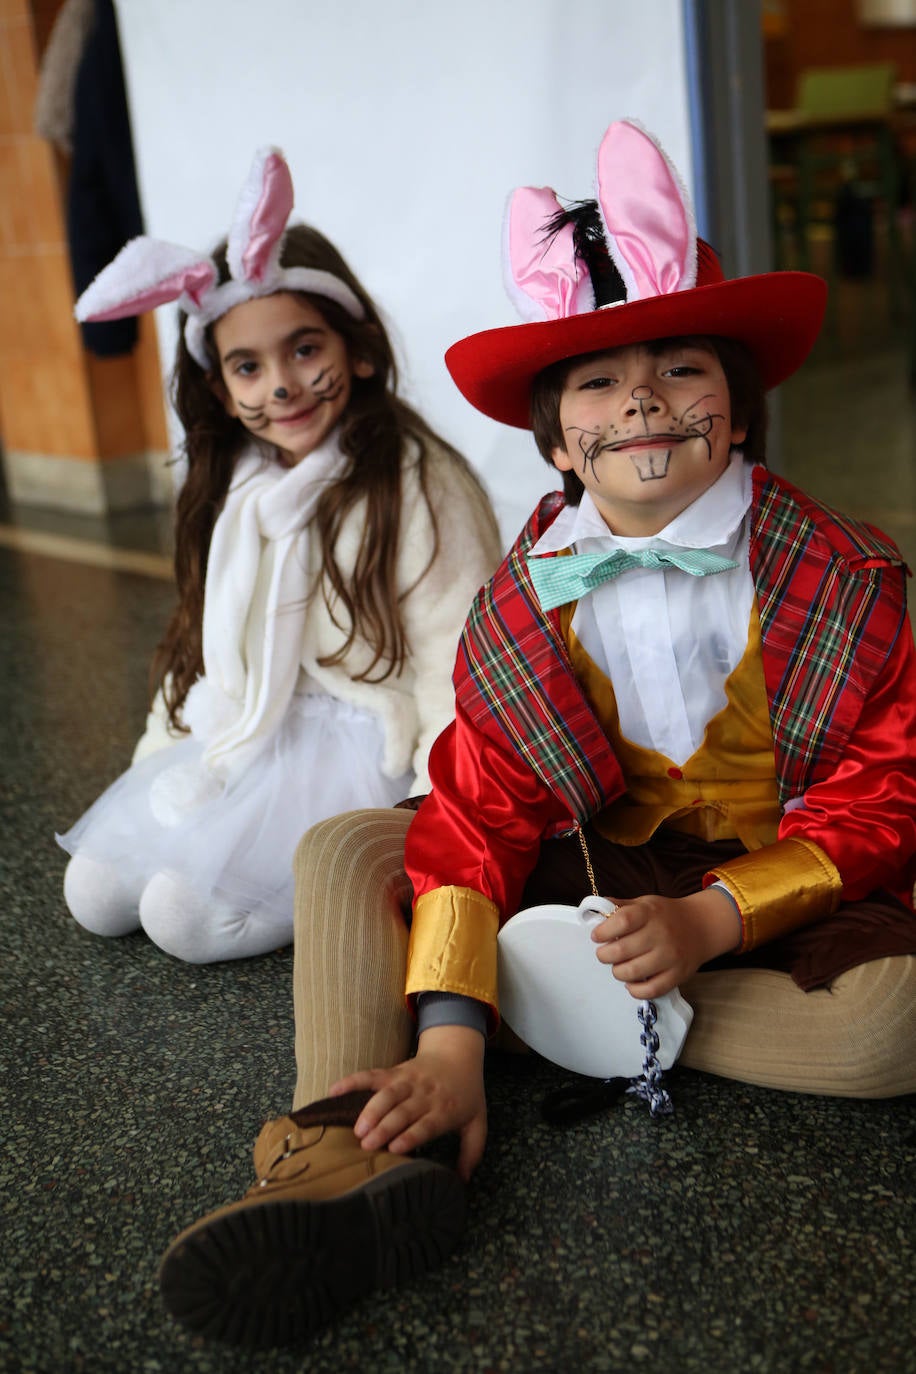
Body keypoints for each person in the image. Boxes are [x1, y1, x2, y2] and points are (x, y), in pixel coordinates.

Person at [156, 121, 916, 1345]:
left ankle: (552, 1012)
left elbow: (888, 793)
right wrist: (453, 1039)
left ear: (738, 408)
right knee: (343, 852)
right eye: (600, 385)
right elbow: (477, 811)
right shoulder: (527, 594)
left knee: (894, 1024)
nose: (643, 404)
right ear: (558, 441)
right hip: (592, 859)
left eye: (680, 370)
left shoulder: (845, 573)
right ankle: (351, 1138)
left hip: (783, 884)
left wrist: (711, 919)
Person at [57, 146, 502, 963]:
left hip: (366, 747)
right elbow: (200, 643)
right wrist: (161, 761)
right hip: (250, 724)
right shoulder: (237, 490)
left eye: (305, 351)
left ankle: (316, 884)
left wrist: (436, 818)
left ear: (358, 350)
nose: (282, 388)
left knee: (182, 918)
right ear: (222, 391)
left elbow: (457, 661)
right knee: (92, 888)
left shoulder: (416, 483)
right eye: (249, 368)